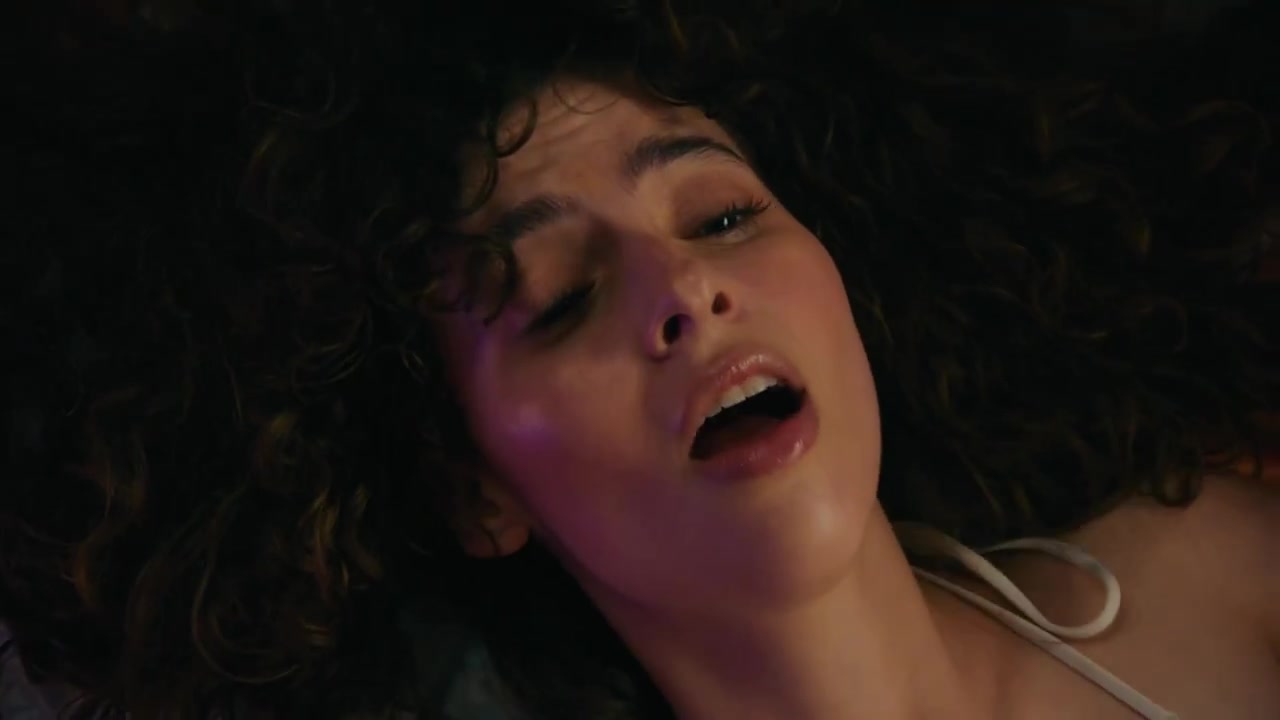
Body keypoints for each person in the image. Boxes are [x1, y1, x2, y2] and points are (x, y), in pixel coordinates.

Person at [3, 1, 1278, 718]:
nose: (683, 291)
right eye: (560, 300)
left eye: (721, 215)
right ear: (472, 488)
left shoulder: (1209, 568)